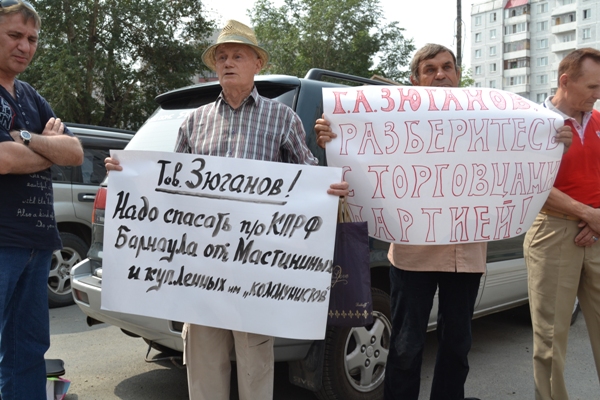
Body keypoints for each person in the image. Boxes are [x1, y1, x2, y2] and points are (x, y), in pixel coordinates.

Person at [104, 20, 348, 400]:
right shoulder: (194, 121)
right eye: (222, 56)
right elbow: (170, 187)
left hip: (256, 266)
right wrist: (128, 176)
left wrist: (329, 188)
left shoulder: (282, 118)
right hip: (200, 267)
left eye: (237, 55)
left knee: (255, 362)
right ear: (215, 65)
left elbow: (308, 176)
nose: (228, 62)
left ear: (257, 64)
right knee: (203, 362)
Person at [315, 43, 572, 400]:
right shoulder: (392, 120)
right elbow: (357, 155)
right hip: (412, 255)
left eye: (447, 67)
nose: (440, 74)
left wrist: (555, 141)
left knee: (457, 345)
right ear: (415, 81)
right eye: (430, 69)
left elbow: (522, 151)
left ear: (457, 73)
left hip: (466, 256)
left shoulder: (486, 117)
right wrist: (334, 137)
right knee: (405, 346)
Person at [0, 2, 84, 399]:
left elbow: (76, 152)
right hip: (1, 244)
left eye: (32, 39)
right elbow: (2, 158)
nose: (25, 46)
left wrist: (29, 138)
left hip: (37, 242)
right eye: (14, 35)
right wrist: (49, 147)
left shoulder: (31, 96)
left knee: (28, 351)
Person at [524, 47, 600, 400]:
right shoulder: (533, 123)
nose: (597, 95)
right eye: (592, 86)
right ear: (565, 81)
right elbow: (531, 185)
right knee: (551, 340)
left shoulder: (598, 122)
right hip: (553, 232)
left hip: (598, 231)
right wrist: (589, 215)